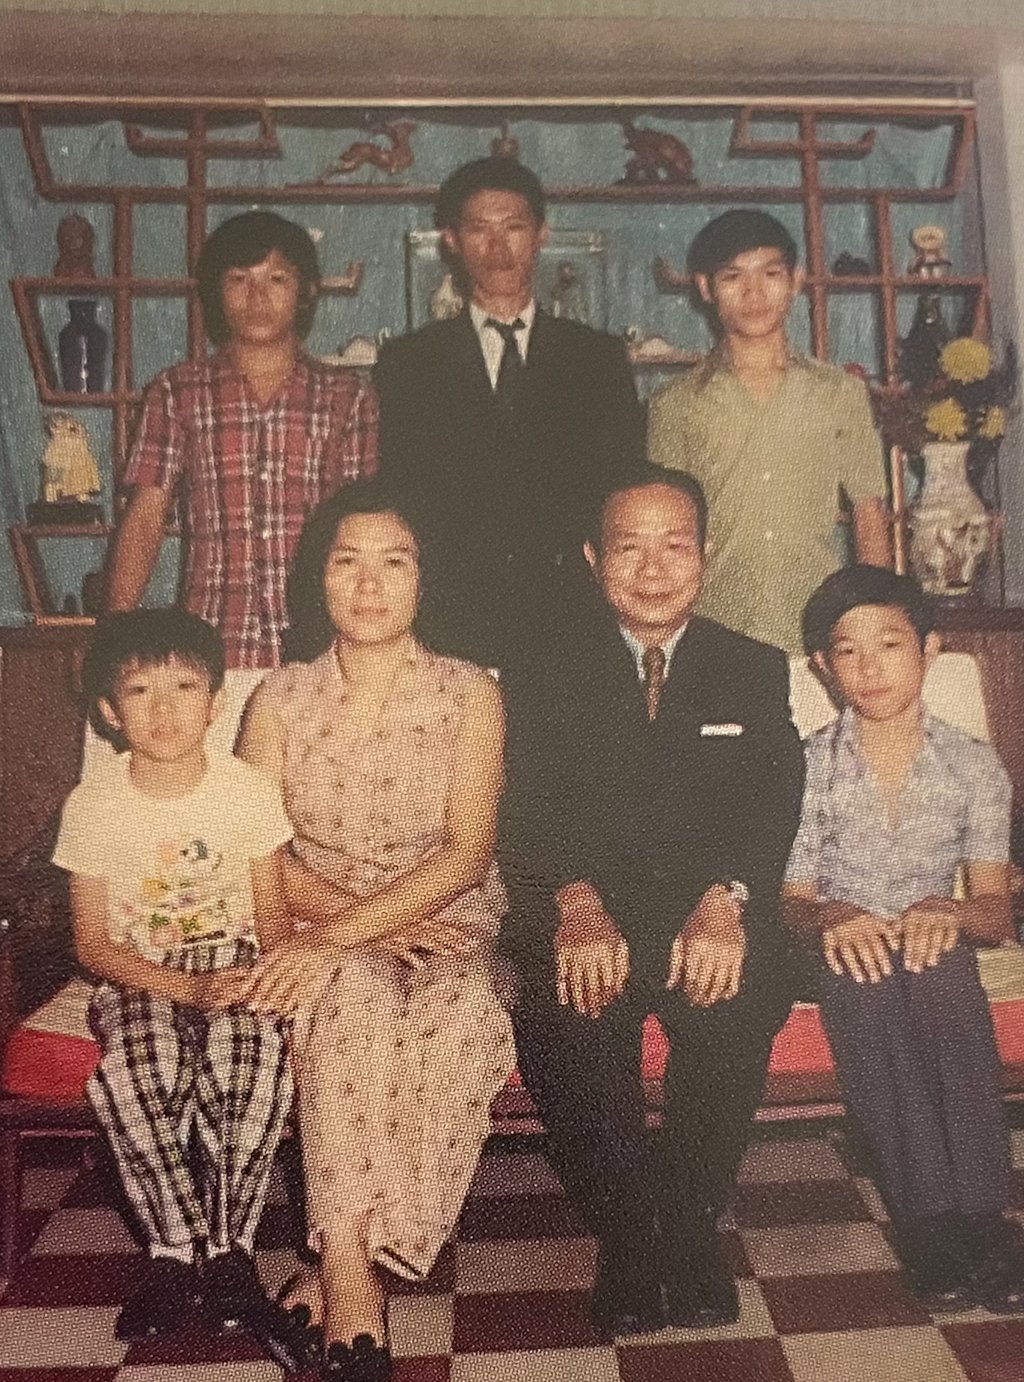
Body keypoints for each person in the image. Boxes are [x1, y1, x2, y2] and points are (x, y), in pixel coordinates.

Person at [499, 464, 805, 1337]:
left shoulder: (752, 667)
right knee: (572, 1014)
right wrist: (573, 899)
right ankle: (630, 1237)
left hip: (707, 911)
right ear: (595, 558)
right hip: (584, 907)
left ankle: (691, 1231)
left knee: (738, 1001)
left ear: (705, 556)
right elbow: (522, 802)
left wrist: (729, 899)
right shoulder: (543, 670)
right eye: (629, 546)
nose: (653, 567)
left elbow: (772, 796)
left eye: (676, 545)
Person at [235, 480, 515, 1382]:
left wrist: (367, 925)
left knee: (467, 1015)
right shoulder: (277, 700)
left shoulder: (471, 694)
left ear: (424, 579)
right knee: (348, 996)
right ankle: (358, 1300)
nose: (369, 584)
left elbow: (468, 853)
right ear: (315, 577)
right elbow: (255, 853)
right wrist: (336, 934)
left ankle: (333, 1271)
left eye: (394, 562)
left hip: (447, 923)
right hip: (320, 919)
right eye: (346, 561)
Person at [783, 565, 1024, 1313]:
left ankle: (987, 1218)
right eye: (846, 652)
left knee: (938, 971)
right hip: (834, 945)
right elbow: (790, 902)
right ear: (822, 667)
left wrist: (946, 914)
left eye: (890, 644)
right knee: (869, 970)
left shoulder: (973, 765)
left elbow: (993, 912)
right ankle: (931, 1224)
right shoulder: (806, 766)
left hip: (933, 949)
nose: (870, 666)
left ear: (929, 647)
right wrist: (831, 916)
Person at [52, 609, 295, 1342]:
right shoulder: (94, 803)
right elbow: (92, 942)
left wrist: (269, 982)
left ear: (215, 701)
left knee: (245, 1065)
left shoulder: (246, 790)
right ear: (109, 711)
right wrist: (183, 988)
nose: (164, 709)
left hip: (238, 957)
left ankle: (230, 1247)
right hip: (137, 969)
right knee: (142, 1069)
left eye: (185, 686)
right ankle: (173, 1249)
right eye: (140, 691)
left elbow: (275, 912)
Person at [374, 156, 643, 668]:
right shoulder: (410, 362)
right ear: (451, 239)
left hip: (571, 619)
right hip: (449, 619)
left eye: (514, 227)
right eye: (479, 229)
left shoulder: (597, 358)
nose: (498, 249)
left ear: (541, 234)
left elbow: (620, 489)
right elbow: (401, 492)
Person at [107, 210, 378, 669]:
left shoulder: (347, 397)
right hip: (208, 647)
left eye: (276, 279)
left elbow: (361, 526)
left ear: (307, 291)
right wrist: (112, 634)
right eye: (238, 279)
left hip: (322, 652)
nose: (256, 297)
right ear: (216, 291)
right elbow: (146, 518)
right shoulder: (177, 391)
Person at [647, 208, 890, 653]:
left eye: (771, 273)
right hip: (712, 626)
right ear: (705, 288)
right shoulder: (674, 404)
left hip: (819, 629)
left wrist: (874, 621)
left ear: (795, 279)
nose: (754, 293)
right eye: (733, 276)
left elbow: (869, 519)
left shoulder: (840, 394)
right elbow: (663, 527)